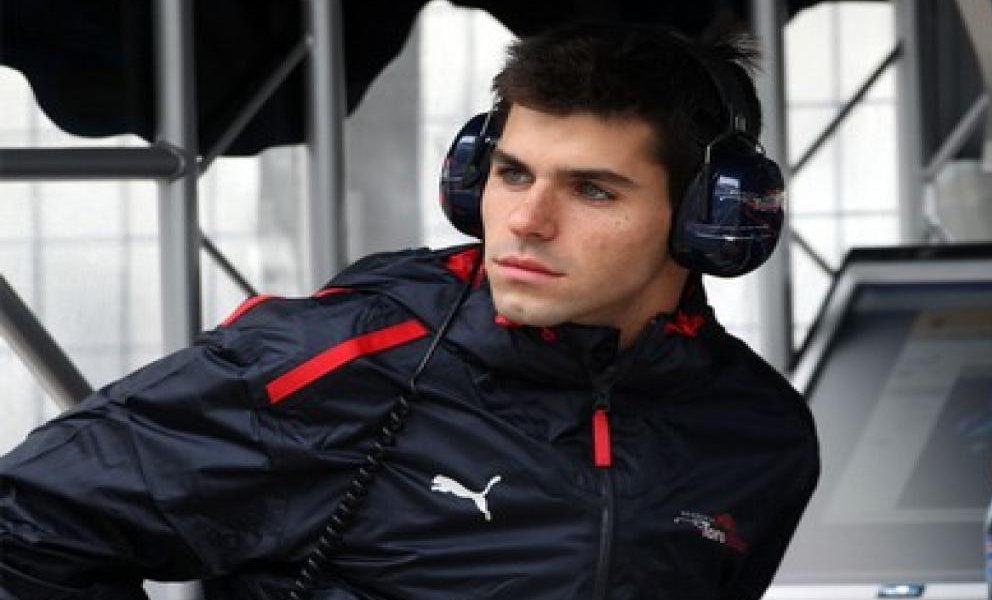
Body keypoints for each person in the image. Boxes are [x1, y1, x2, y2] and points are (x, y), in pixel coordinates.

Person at [0, 21, 819, 600]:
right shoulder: (340, 354)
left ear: (709, 216)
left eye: (593, 190)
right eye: (512, 174)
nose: (527, 221)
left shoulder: (759, 436)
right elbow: (26, 525)